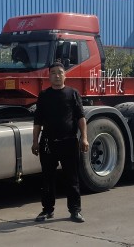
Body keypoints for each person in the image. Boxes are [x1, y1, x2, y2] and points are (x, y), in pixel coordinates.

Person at [31, 61, 89, 223]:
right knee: (47, 179)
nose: (57, 75)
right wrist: (35, 141)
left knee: (72, 178)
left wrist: (84, 138)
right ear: (49, 76)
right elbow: (38, 121)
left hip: (69, 142)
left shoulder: (73, 93)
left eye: (60, 72)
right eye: (53, 73)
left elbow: (81, 117)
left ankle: (75, 211)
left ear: (65, 75)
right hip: (48, 143)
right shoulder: (44, 95)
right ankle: (47, 210)